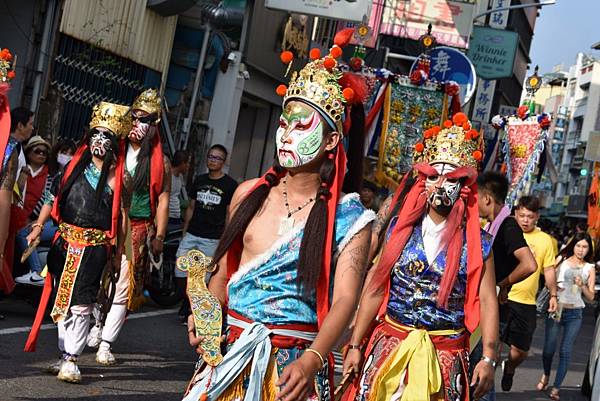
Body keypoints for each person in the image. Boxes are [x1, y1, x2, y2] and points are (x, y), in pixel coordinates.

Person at [182, 49, 375, 401]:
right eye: (285, 123)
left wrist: (313, 360)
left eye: (302, 126)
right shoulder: (247, 194)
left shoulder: (350, 218)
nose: (287, 135)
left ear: (332, 141)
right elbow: (223, 275)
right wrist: (205, 314)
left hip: (293, 367)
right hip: (229, 356)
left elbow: (346, 299)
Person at [344, 112, 499, 401]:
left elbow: (488, 300)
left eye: (450, 177)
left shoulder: (479, 243)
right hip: (390, 347)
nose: (440, 184)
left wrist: (489, 357)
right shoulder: (398, 230)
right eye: (434, 175)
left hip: (444, 357)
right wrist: (355, 345)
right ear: (423, 179)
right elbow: (376, 289)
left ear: (464, 185)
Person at [23, 101, 129, 383]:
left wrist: (118, 252)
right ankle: (63, 353)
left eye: (105, 138)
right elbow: (51, 199)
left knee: (82, 303)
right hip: (63, 244)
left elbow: (121, 218)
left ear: (113, 145)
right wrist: (37, 226)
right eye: (95, 135)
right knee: (61, 301)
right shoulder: (72, 169)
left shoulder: (118, 178)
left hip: (93, 249)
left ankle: (71, 358)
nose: (99, 142)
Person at [92, 89, 171, 366]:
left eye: (144, 119)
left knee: (123, 286)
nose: (137, 124)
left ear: (154, 125)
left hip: (137, 228)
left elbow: (162, 199)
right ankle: (95, 322)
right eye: (134, 118)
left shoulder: (162, 163)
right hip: (107, 222)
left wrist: (159, 235)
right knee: (97, 278)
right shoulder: (116, 148)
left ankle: (106, 343)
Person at [472, 171, 538, 400]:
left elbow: (530, 264)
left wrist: (501, 284)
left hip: (495, 309)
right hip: (487, 306)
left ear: (487, 198)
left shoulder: (507, 226)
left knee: (483, 365)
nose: (473, 202)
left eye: (475, 196)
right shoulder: (494, 225)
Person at [500, 195, 558, 391]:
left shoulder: (545, 241)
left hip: (526, 303)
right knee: (493, 342)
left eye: (530, 216)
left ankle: (510, 367)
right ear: (516, 213)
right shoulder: (506, 230)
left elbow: (549, 270)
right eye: (522, 215)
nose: (525, 220)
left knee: (521, 351)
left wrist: (553, 295)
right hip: (501, 298)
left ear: (537, 217)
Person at [175, 144, 237, 320]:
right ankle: (186, 301)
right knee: (181, 269)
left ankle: (191, 310)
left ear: (224, 162)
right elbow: (191, 207)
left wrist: (226, 238)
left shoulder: (230, 185)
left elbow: (228, 213)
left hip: (213, 238)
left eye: (217, 158)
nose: (212, 160)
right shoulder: (200, 180)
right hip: (193, 233)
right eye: (210, 156)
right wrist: (185, 231)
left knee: (205, 276)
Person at [539, 232, 596, 400]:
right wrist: (555, 289)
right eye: (578, 245)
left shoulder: (589, 268)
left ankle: (556, 387)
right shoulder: (561, 260)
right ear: (573, 245)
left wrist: (583, 285)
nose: (581, 250)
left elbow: (591, 296)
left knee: (565, 351)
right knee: (549, 349)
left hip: (575, 312)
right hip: (558, 309)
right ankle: (546, 374)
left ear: (589, 249)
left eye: (585, 247)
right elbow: (548, 280)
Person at [0, 106, 34, 294]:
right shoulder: (10, 148)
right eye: (30, 124)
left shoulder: (14, 147)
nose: (32, 128)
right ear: (19, 125)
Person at [14, 136, 56, 286]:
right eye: (37, 151)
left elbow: (48, 201)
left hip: (39, 221)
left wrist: (34, 220)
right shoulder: (21, 171)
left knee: (24, 235)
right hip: (17, 216)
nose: (41, 155)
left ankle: (36, 272)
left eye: (44, 153)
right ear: (29, 152)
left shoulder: (50, 177)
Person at [169, 149, 190, 231]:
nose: (188, 166)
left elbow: (176, 197)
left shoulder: (180, 177)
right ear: (182, 163)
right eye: (187, 163)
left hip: (176, 216)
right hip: (168, 216)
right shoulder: (168, 176)